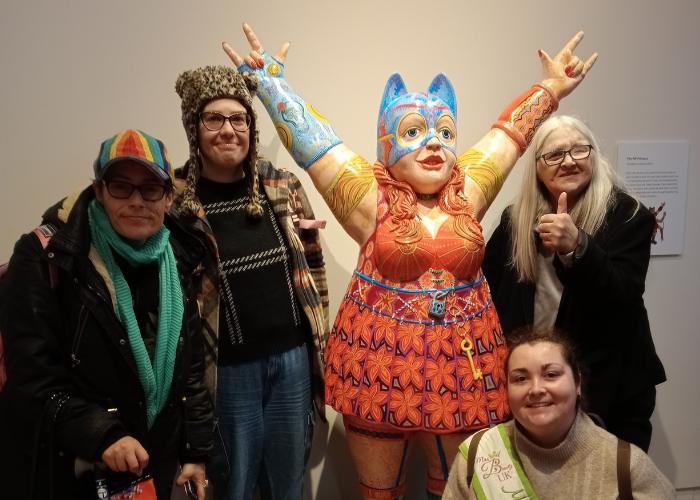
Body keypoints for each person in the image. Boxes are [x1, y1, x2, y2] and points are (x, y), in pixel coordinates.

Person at [223, 23, 596, 499]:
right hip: (376, 368)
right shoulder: (366, 193)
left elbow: (510, 136)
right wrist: (270, 85)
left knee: (457, 489)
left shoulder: (469, 189)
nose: (433, 144)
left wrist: (552, 88)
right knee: (379, 493)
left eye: (443, 131)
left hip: (461, 372)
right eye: (414, 132)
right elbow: (313, 140)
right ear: (386, 141)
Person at [0, 129, 213, 499]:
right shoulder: (47, 255)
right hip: (75, 468)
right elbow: (32, 377)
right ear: (98, 190)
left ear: (167, 196)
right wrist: (103, 434)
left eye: (150, 188)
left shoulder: (178, 254)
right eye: (121, 186)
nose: (136, 201)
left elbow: (191, 368)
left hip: (152, 465)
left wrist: (195, 452)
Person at [172, 64, 330, 500]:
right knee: (233, 485)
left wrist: (321, 355)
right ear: (194, 128)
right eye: (214, 119)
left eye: (238, 118)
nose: (228, 130)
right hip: (226, 373)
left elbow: (313, 274)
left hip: (292, 365)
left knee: (288, 484)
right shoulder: (176, 200)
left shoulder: (280, 184)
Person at [481, 115, 666, 451]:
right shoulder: (516, 220)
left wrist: (577, 247)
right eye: (554, 154)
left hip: (610, 388)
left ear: (594, 155)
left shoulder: (629, 215)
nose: (568, 161)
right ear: (536, 168)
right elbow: (486, 292)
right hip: (537, 388)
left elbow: (622, 295)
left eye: (579, 150)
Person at [442, 327, 674, 499]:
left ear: (577, 383)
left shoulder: (626, 466)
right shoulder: (477, 454)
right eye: (520, 378)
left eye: (551, 375)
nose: (536, 389)